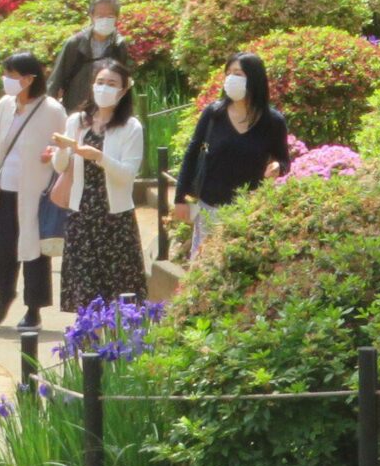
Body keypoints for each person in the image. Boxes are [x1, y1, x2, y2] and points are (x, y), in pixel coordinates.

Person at [51, 63, 149, 312]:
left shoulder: (130, 127)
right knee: (85, 293)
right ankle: (89, 347)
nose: (104, 88)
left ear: (124, 90)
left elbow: (127, 175)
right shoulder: (77, 121)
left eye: (112, 84)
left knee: (120, 292)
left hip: (115, 219)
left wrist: (98, 157)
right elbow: (60, 166)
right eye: (100, 82)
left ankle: (119, 348)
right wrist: (63, 147)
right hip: (81, 215)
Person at [0, 51, 67, 328]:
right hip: (5, 188)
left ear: (29, 79)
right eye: (6, 75)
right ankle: (4, 295)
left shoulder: (52, 110)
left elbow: (65, 147)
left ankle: (34, 310)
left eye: (13, 76)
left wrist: (54, 153)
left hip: (36, 192)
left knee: (33, 251)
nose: (7, 81)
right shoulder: (4, 106)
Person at [172, 52, 288, 248]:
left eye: (239, 73)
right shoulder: (213, 114)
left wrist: (277, 166)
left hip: (249, 210)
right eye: (229, 73)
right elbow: (192, 153)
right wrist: (180, 198)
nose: (232, 78)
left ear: (254, 79)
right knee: (203, 266)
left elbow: (284, 160)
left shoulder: (273, 122)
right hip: (210, 207)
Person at [51, 0, 133, 114]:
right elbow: (56, 79)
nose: (105, 20)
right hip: (76, 110)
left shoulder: (119, 45)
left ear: (116, 17)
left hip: (108, 113)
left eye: (110, 16)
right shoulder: (75, 44)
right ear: (92, 16)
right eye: (100, 16)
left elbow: (125, 81)